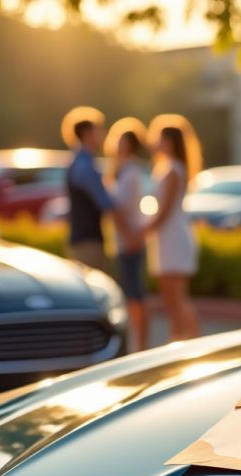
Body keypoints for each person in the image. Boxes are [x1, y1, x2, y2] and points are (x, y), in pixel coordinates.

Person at [143, 115, 201, 341]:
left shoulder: (173, 170)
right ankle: (179, 340)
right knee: (171, 298)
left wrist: (142, 232)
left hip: (173, 238)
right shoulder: (166, 168)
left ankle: (188, 342)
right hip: (167, 238)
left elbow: (164, 211)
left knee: (177, 298)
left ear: (169, 141)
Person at [105, 117, 150, 351]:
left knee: (135, 294)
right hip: (125, 239)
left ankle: (141, 343)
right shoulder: (120, 170)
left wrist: (131, 236)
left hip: (131, 239)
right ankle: (138, 341)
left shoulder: (131, 172)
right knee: (130, 293)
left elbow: (121, 209)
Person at [60, 106, 120, 272]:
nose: (102, 135)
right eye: (98, 130)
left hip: (82, 238)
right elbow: (106, 203)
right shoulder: (85, 166)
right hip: (88, 241)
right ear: (87, 134)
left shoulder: (79, 161)